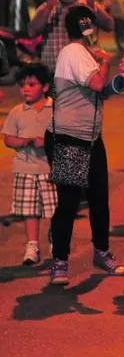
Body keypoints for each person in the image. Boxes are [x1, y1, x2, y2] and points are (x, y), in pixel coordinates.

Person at [45, 5, 124, 285]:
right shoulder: (73, 52)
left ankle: (101, 252)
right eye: (88, 26)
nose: (90, 30)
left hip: (91, 138)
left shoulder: (86, 55)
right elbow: (96, 83)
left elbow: (104, 90)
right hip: (69, 136)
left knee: (98, 200)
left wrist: (123, 78)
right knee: (68, 203)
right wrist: (105, 62)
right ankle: (60, 260)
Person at [3, 64, 55, 266]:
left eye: (31, 84)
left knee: (53, 208)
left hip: (49, 169)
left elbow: (62, 136)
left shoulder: (55, 109)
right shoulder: (17, 112)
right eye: (23, 85)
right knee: (29, 210)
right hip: (25, 169)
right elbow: (8, 138)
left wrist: (47, 142)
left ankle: (56, 239)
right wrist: (22, 141)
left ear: (44, 87)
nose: (25, 89)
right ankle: (32, 245)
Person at [29, 0, 114, 73]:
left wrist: (92, 7)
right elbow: (32, 32)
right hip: (53, 73)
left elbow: (109, 26)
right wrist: (49, 5)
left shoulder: (87, 5)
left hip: (84, 74)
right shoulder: (47, 8)